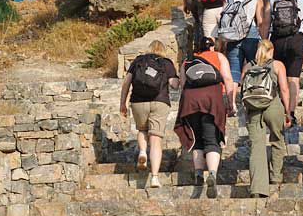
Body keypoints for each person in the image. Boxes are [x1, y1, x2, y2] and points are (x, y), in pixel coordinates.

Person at [174, 37, 236, 198]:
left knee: (197, 140)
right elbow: (228, 79)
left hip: (191, 102)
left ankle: (199, 174)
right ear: (212, 47)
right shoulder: (219, 57)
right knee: (211, 139)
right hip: (212, 101)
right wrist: (231, 103)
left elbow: (183, 83)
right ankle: (213, 175)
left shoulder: (188, 61)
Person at [120, 40, 180, 188]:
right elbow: (174, 84)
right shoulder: (166, 63)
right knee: (155, 138)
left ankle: (142, 152)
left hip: (138, 102)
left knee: (142, 129)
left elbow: (126, 82)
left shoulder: (138, 61)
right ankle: (154, 177)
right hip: (159, 102)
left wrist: (123, 103)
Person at [240, 40, 291, 198]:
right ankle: (275, 177)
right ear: (272, 50)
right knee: (277, 139)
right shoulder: (277, 65)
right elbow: (284, 89)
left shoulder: (248, 66)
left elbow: (242, 88)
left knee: (257, 146)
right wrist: (288, 111)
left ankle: (258, 188)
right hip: (273, 105)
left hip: (253, 108)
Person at [265, 0, 303, 125]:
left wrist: (264, 41)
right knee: (293, 78)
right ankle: (291, 113)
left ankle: (279, 108)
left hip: (277, 39)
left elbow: (265, 22)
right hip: (295, 39)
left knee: (277, 75)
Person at [225, 0, 265, 87]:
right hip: (250, 34)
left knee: (234, 70)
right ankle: (251, 95)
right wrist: (263, 38)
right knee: (253, 66)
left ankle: (232, 102)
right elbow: (260, 21)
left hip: (233, 34)